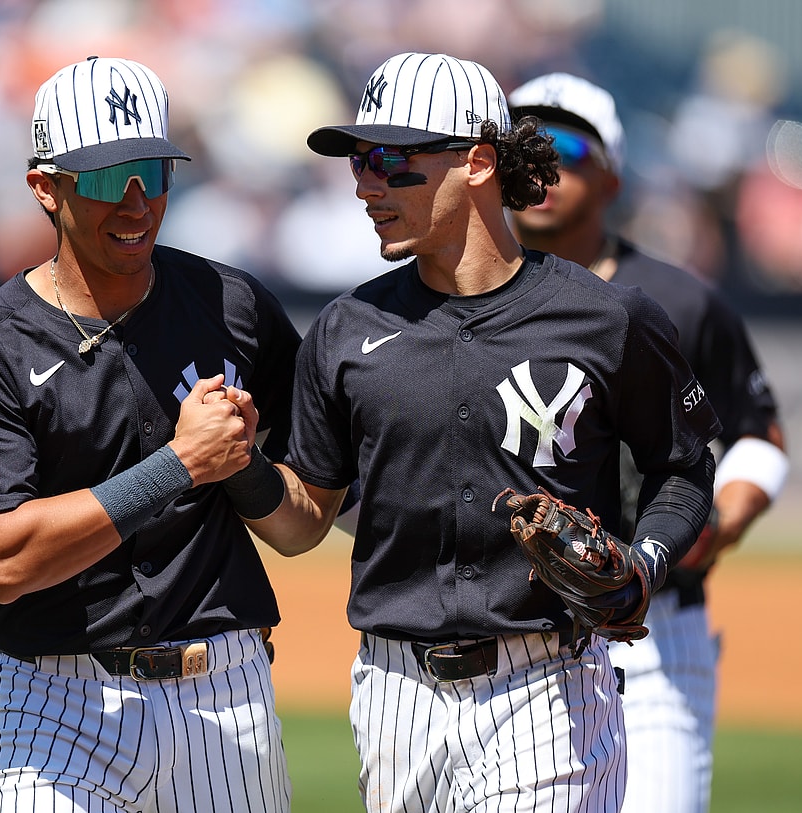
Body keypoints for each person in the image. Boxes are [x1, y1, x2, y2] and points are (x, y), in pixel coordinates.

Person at [229, 51, 722, 812]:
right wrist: (237, 466)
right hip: (392, 695)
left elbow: (684, 465)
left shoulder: (606, 317)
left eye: (393, 161)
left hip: (548, 686)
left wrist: (645, 565)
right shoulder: (343, 330)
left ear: (480, 161)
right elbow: (302, 523)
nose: (365, 183)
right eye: (359, 161)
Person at [0, 56, 302, 813]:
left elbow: (302, 517)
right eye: (102, 179)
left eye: (150, 173)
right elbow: (1, 557)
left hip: (222, 694)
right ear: (44, 189)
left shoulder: (233, 304)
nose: (134, 203)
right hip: (55, 702)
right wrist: (181, 464)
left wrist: (245, 467)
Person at [507, 72, 789, 813]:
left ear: (612, 174)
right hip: (511, 628)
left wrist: (720, 525)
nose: (542, 164)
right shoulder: (463, 299)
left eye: (565, 146)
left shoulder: (682, 299)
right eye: (522, 143)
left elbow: (761, 434)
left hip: (655, 631)